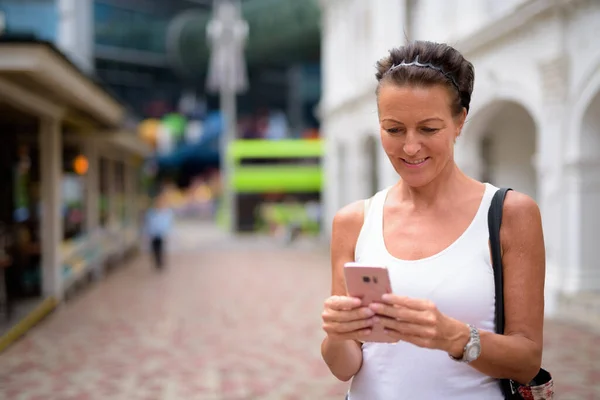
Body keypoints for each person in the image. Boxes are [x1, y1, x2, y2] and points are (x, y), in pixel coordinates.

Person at [320, 41, 546, 399]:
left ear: (460, 121)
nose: (410, 147)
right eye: (394, 130)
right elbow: (346, 365)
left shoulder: (509, 214)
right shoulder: (353, 221)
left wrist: (454, 337)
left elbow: (527, 360)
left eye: (428, 129)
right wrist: (337, 333)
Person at [145, 194, 174, 269]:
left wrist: (168, 233)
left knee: (161, 249)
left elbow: (169, 224)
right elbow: (149, 223)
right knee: (155, 249)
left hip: (162, 234)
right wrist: (147, 234)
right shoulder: (151, 212)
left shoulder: (167, 212)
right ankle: (157, 262)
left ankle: (160, 262)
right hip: (154, 234)